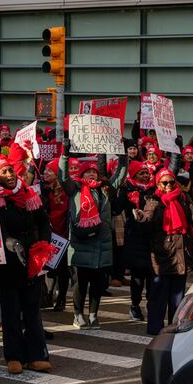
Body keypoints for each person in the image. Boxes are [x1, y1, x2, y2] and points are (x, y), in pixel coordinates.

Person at [0, 154, 52, 374]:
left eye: (11, 170)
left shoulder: (29, 193)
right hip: (6, 263)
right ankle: (14, 356)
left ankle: (37, 355)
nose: (9, 175)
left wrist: (43, 244)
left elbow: (43, 220)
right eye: (3, 172)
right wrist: (6, 240)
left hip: (31, 259)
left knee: (33, 311)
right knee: (11, 313)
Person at [58, 140, 127, 329]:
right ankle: (78, 314)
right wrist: (65, 155)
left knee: (97, 285)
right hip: (80, 244)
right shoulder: (75, 189)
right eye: (87, 171)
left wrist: (123, 155)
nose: (91, 174)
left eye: (94, 171)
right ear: (81, 174)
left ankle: (94, 314)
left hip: (101, 245)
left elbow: (120, 176)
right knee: (80, 284)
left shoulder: (105, 191)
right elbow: (63, 176)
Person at [134, 168, 193, 335]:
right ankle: (155, 329)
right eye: (164, 182)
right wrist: (141, 218)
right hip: (162, 253)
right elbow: (148, 222)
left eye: (171, 182)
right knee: (158, 296)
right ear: (158, 183)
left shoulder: (183, 197)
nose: (168, 185)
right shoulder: (153, 200)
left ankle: (175, 327)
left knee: (177, 297)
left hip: (181, 253)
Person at [118, 160, 156, 321]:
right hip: (135, 239)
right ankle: (135, 305)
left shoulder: (154, 190)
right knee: (138, 277)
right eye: (142, 173)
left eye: (147, 172)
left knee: (153, 276)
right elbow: (116, 208)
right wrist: (121, 192)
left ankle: (151, 304)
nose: (146, 175)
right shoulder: (127, 190)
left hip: (152, 239)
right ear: (134, 175)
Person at [42, 158, 70, 312]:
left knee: (62, 270)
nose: (46, 172)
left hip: (62, 236)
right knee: (49, 268)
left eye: (50, 170)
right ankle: (49, 294)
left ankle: (61, 298)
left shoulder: (64, 191)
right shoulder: (45, 189)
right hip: (48, 234)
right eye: (45, 170)